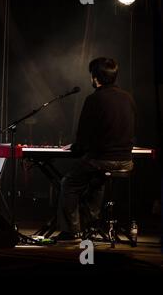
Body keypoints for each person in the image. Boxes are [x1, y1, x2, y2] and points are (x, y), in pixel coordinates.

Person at [56, 57, 136, 240]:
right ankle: (90, 225)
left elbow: (83, 137)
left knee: (69, 183)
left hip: (101, 159)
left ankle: (72, 230)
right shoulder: (128, 98)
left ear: (95, 77)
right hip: (126, 160)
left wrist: (75, 148)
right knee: (96, 181)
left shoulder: (94, 99)